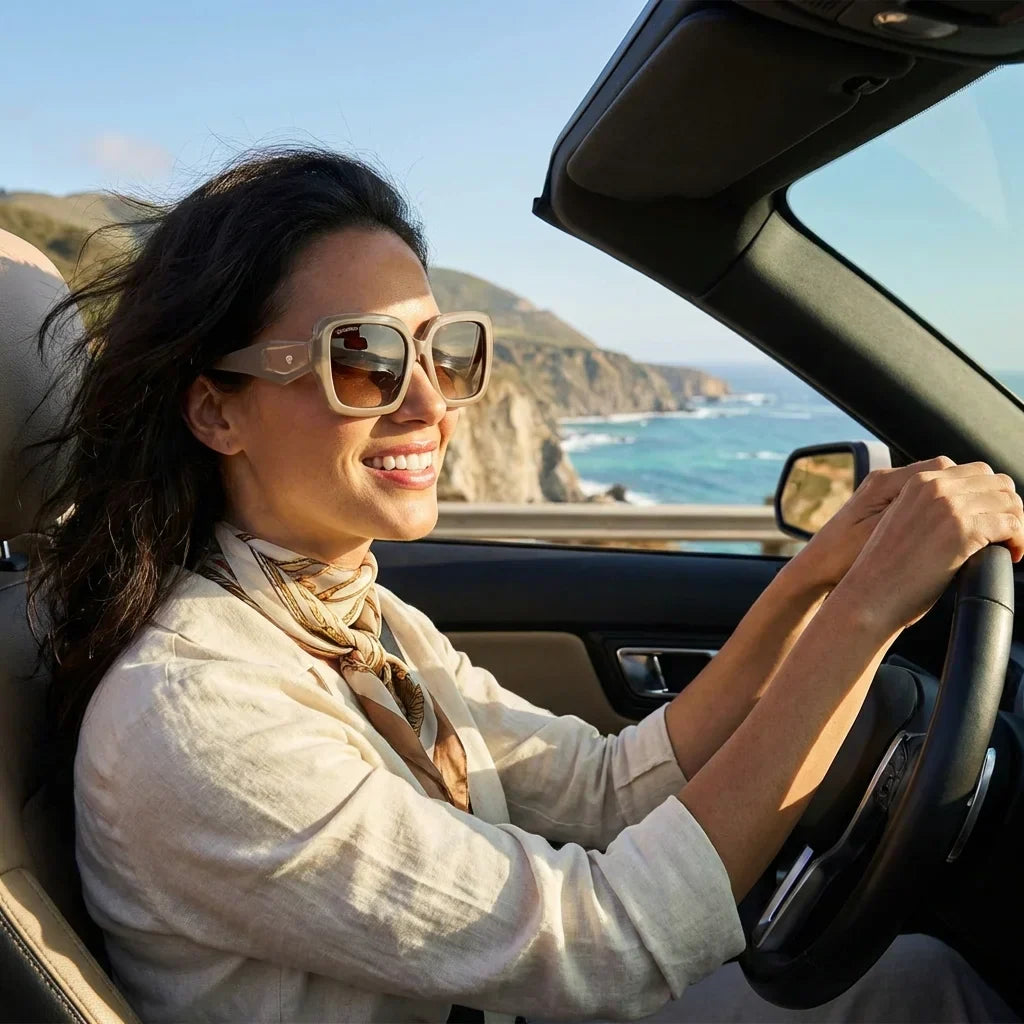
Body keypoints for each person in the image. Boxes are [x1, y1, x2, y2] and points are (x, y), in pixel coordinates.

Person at [29, 149, 1019, 1024]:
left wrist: (812, 581)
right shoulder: (198, 713)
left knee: (916, 983)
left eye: (443, 351)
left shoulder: (355, 620)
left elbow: (604, 788)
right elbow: (608, 941)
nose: (429, 403)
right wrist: (865, 618)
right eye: (364, 360)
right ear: (216, 412)